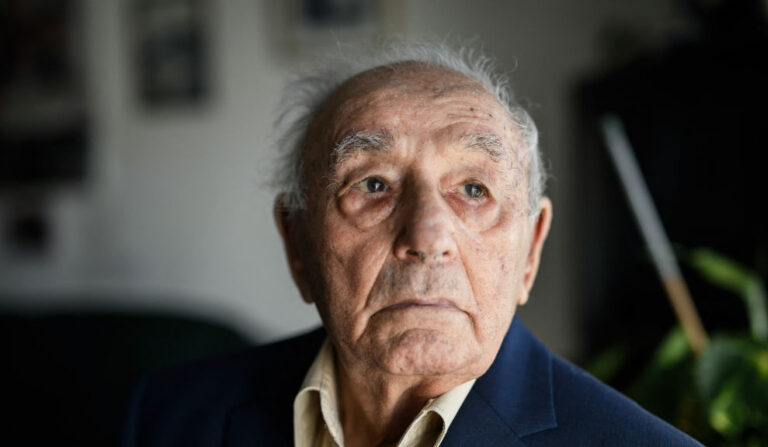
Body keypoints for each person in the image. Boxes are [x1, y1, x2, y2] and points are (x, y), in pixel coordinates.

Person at [122, 41, 701, 447]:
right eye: (372, 184)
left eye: (474, 188)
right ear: (297, 244)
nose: (427, 237)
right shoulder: (169, 416)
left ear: (530, 251)